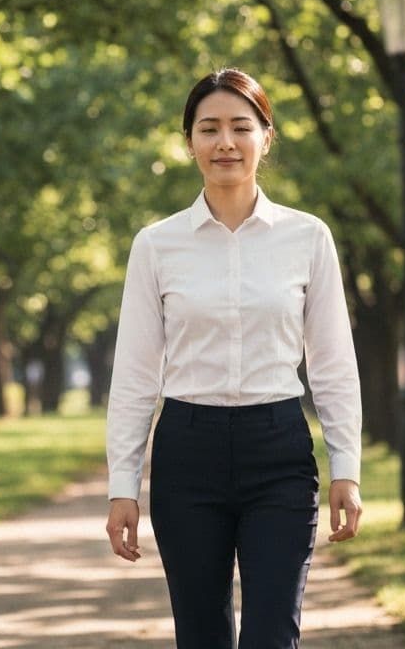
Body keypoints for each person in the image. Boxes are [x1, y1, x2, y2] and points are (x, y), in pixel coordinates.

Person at [104, 68, 363, 648]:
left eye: (240, 127)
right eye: (209, 128)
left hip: (278, 450)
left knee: (273, 634)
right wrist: (123, 483)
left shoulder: (309, 238)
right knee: (201, 637)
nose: (225, 142)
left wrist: (346, 466)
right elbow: (136, 377)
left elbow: (332, 364)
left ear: (265, 137)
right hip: (186, 452)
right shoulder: (156, 245)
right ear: (189, 141)